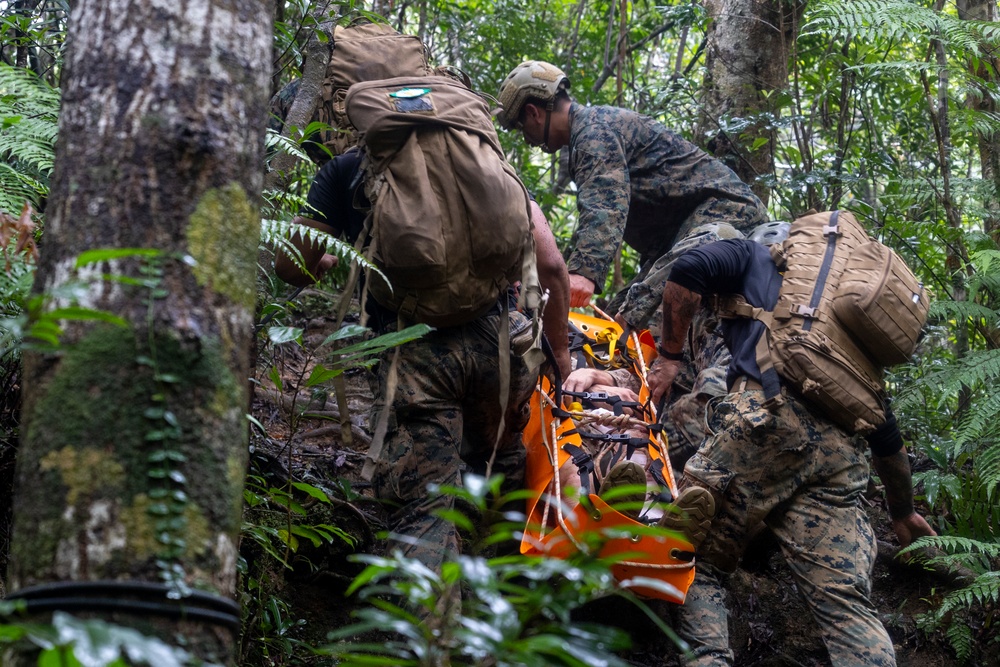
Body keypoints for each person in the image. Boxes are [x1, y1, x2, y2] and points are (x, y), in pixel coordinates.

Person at [274, 148, 573, 579]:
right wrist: (560, 356)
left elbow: (290, 266)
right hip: (502, 345)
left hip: (417, 355)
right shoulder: (485, 158)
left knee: (426, 505)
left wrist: (326, 259)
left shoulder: (351, 166)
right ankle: (509, 606)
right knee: (502, 459)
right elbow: (550, 263)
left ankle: (429, 634)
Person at [645, 226, 937, 666]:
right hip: (840, 458)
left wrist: (669, 356)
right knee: (844, 605)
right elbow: (887, 436)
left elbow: (688, 267)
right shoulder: (841, 335)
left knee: (694, 561)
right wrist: (902, 512)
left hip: (767, 422)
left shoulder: (751, 255)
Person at [496, 60, 768, 329]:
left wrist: (583, 273)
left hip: (727, 214)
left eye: (522, 129)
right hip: (686, 235)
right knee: (613, 317)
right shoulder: (591, 128)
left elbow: (605, 204)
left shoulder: (593, 131)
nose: (527, 140)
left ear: (533, 113)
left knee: (633, 323)